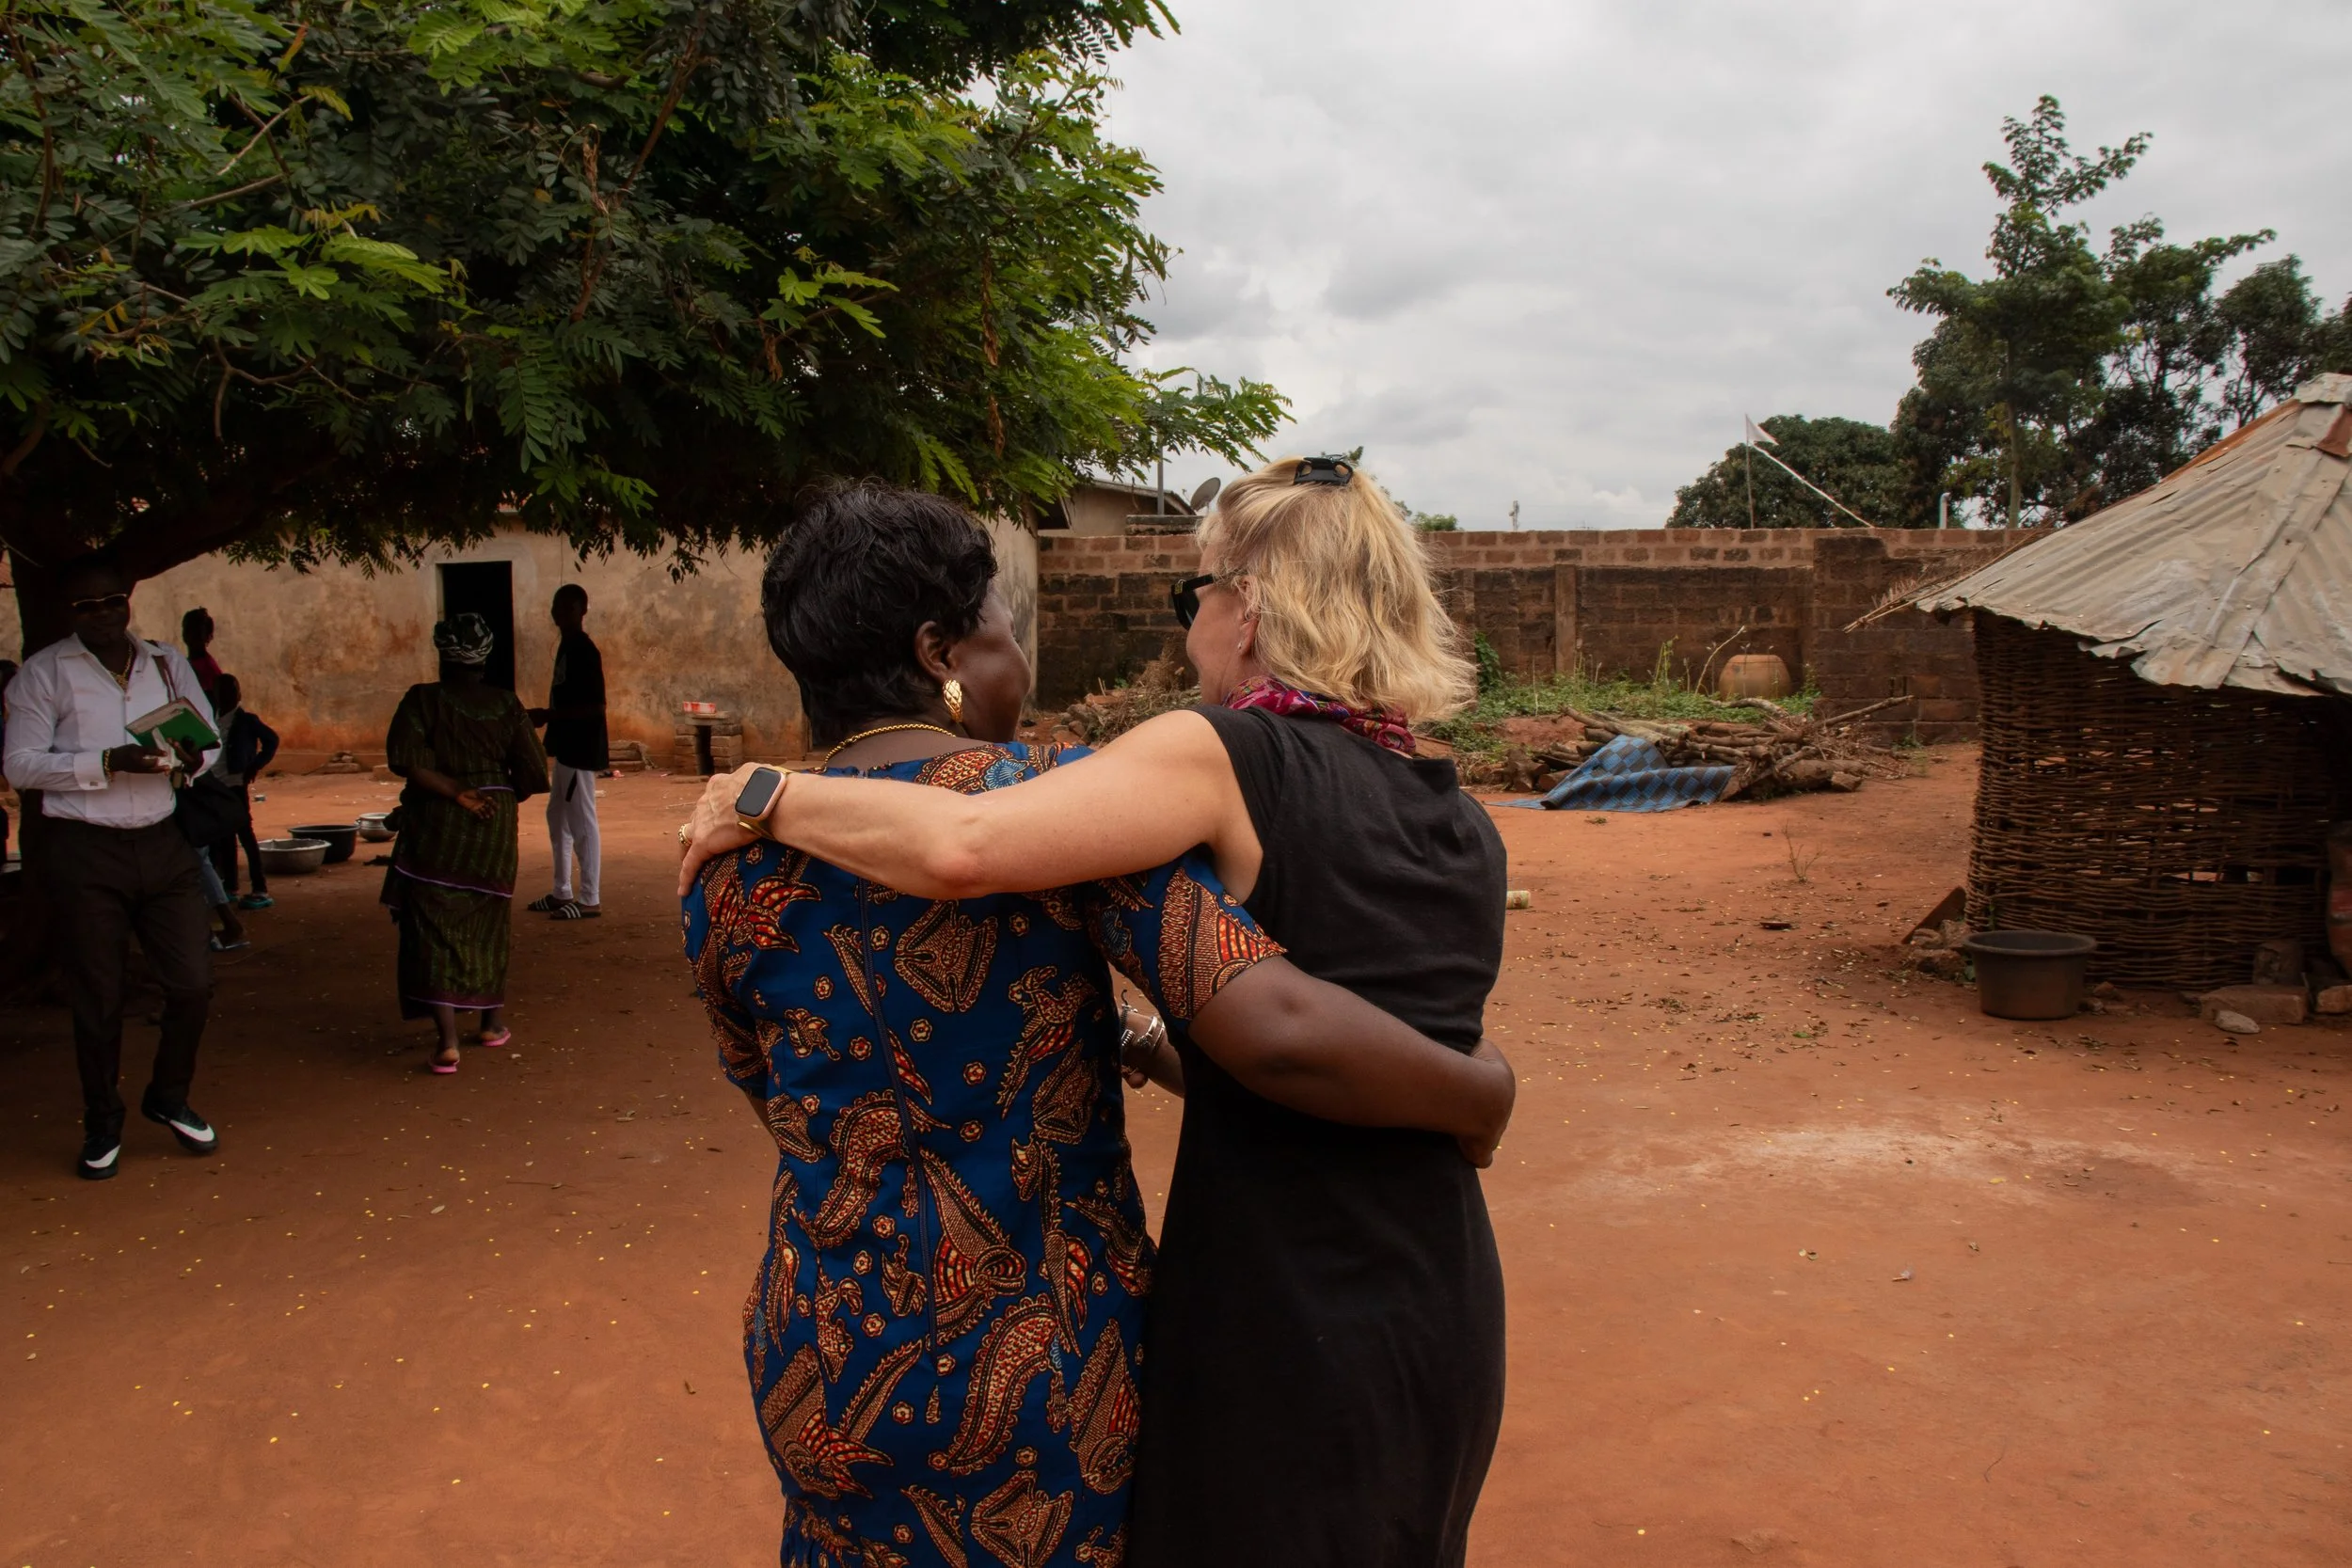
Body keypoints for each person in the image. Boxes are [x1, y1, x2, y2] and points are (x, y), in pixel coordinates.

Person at [681, 454, 1509, 1567]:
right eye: (1001, 626)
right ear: (941, 655)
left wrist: (764, 790)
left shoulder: (722, 870)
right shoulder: (1072, 814)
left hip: (829, 1342)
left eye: (1196, 594)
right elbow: (1249, 1007)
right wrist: (1478, 1088)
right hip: (1058, 1353)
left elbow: (764, 1083)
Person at [2, 553, 223, 1180]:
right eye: (85, 606)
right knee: (98, 998)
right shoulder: (45, 674)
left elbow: (206, 743)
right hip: (85, 849)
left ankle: (168, 1094)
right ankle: (103, 1123)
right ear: (69, 613)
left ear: (127, 602)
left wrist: (188, 758)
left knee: (192, 983)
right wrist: (107, 762)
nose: (101, 615)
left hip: (161, 841)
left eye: (110, 601)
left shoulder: (163, 662)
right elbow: (20, 766)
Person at [382, 613, 548, 1072]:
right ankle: (491, 1025)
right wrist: (499, 791)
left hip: (439, 824)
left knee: (434, 925)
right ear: (485, 658)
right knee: (489, 922)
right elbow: (534, 774)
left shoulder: (422, 701)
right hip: (494, 827)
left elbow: (408, 763)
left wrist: (457, 792)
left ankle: (448, 1042)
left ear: (442, 654)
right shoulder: (506, 705)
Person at [526, 583, 606, 921]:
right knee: (557, 817)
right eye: (556, 607)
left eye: (567, 608)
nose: (559, 614)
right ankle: (562, 891)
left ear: (581, 611)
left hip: (580, 747)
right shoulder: (567, 647)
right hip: (565, 747)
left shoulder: (584, 651)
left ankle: (590, 898)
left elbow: (595, 706)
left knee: (581, 821)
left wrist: (549, 716)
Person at [203, 673, 280, 909]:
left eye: (231, 692)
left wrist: (254, 766)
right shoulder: (211, 720)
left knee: (245, 835)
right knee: (223, 837)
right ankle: (231, 886)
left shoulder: (246, 720)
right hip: (216, 786)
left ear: (239, 695)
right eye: (221, 692)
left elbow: (272, 740)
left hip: (236, 785)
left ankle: (259, 887)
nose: (226, 697)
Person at [181, 607, 222, 702]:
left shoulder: (209, 672)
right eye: (188, 629)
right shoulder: (187, 663)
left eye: (197, 632)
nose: (191, 635)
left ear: (207, 636)